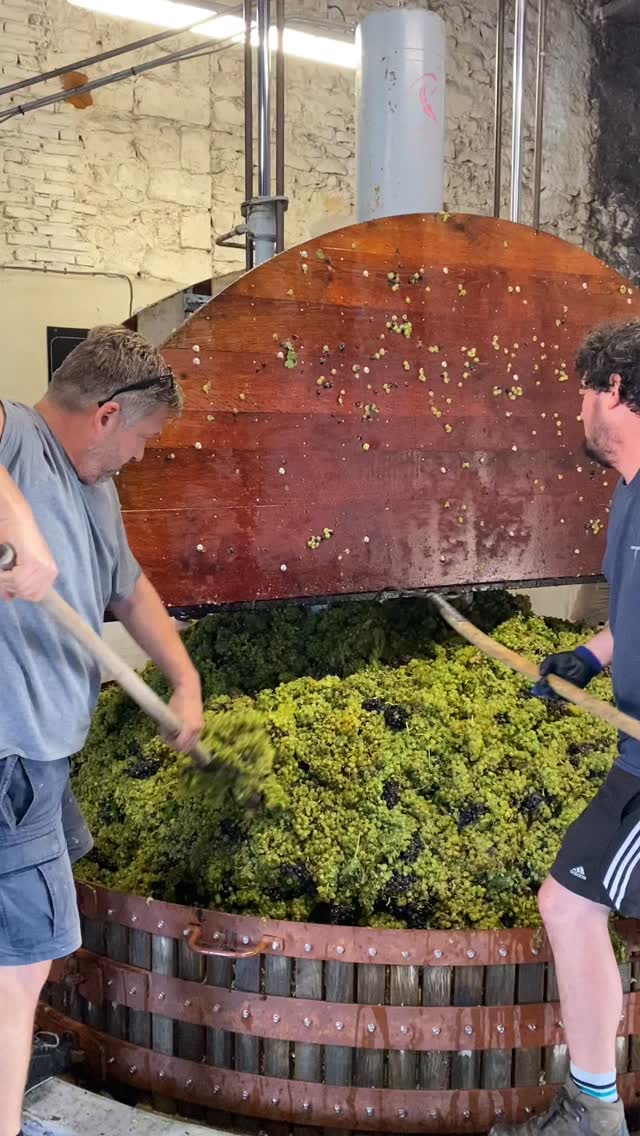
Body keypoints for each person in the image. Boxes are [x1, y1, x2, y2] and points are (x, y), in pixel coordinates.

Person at [0, 325, 204, 1136]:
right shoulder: (18, 438)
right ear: (109, 415)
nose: (143, 457)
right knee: (19, 968)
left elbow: (129, 589)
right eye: (147, 438)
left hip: (46, 759)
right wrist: (16, 524)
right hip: (11, 753)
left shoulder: (94, 487)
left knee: (31, 944)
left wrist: (184, 678)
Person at [491, 320, 640, 1136]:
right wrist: (587, 656)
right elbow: (633, 619)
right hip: (634, 749)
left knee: (573, 905)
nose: (578, 408)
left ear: (614, 390)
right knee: (570, 902)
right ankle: (593, 1106)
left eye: (585, 390)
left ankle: (594, 1111)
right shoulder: (626, 496)